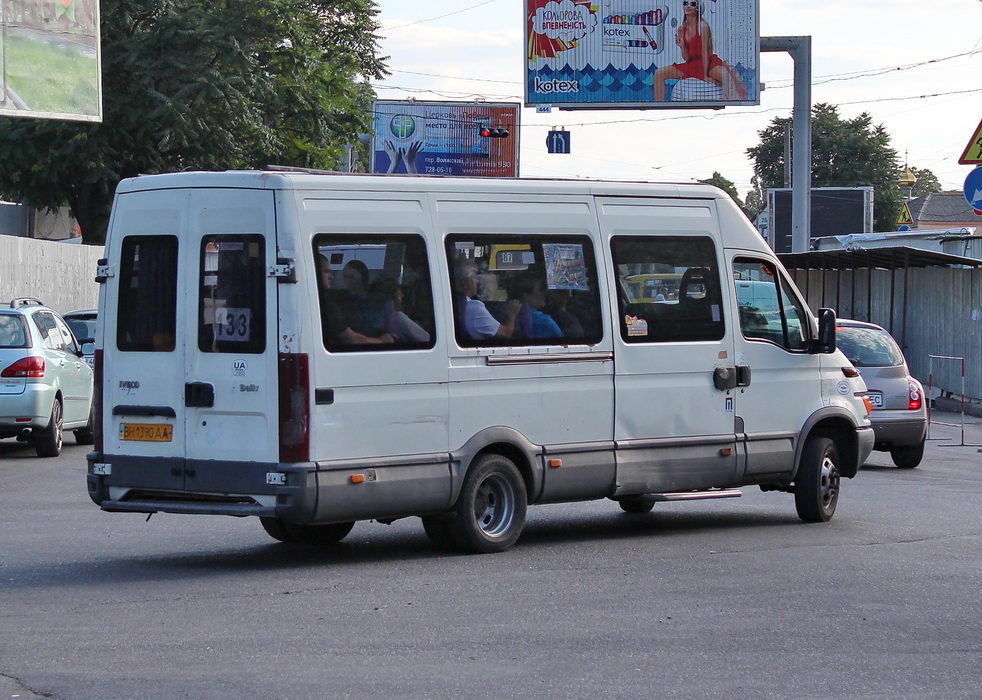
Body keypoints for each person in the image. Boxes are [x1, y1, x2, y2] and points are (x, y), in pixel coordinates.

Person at [653, 0, 748, 101]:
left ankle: (733, 100)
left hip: (708, 63)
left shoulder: (703, 26)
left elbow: (705, 52)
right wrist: (682, 46)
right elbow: (686, 58)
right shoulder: (681, 29)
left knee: (725, 75)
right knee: (659, 73)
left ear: (698, 8)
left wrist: (705, 75)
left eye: (692, 4)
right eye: (686, 3)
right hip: (692, 65)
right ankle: (658, 102)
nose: (688, 6)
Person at [318, 255, 395, 346]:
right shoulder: (326, 301)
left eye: (351, 277)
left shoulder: (379, 301)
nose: (331, 277)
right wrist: (381, 341)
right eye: (326, 272)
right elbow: (351, 339)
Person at [455, 262, 520, 340]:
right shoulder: (475, 308)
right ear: (465, 284)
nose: (477, 282)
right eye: (474, 278)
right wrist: (511, 315)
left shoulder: (454, 302)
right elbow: (505, 334)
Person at [370, 275, 431, 343]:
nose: (403, 295)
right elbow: (426, 339)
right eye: (399, 293)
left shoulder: (372, 317)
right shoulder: (398, 317)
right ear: (392, 297)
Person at [507, 273, 563, 339]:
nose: (544, 293)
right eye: (541, 289)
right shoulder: (545, 322)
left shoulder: (500, 314)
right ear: (525, 295)